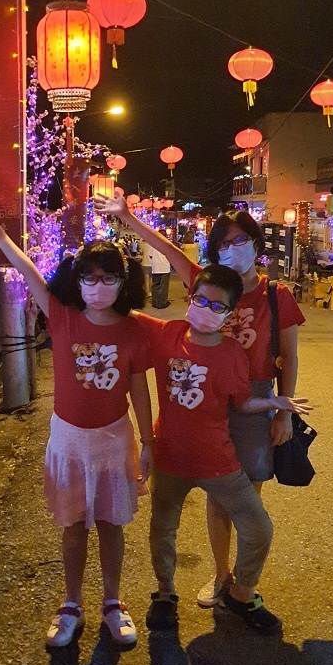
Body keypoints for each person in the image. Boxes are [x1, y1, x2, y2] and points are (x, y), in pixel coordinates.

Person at [93, 194, 305, 609]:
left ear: (257, 243)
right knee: (214, 494)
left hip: (254, 396)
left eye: (241, 239)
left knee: (244, 494)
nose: (232, 248)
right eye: (223, 243)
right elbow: (167, 250)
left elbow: (290, 355)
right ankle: (220, 574)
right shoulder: (207, 282)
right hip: (205, 393)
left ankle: (241, 579)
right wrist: (128, 217)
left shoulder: (277, 295)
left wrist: (284, 413)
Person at [0, 209, 154, 648]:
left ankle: (113, 602)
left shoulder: (132, 331)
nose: (98, 287)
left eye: (109, 278)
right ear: (78, 281)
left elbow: (139, 389)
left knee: (111, 524)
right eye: (89, 278)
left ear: (123, 282)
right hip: (69, 439)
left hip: (114, 439)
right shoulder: (63, 315)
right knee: (73, 526)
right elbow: (28, 270)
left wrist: (149, 442)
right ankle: (71, 603)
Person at [133, 264, 311, 633]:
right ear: (189, 298)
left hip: (218, 460)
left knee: (258, 527)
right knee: (162, 528)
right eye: (201, 300)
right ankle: (165, 592)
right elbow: (118, 311)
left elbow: (242, 402)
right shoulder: (166, 334)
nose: (206, 309)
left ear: (230, 315)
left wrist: (276, 403)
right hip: (168, 457)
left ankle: (240, 593)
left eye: (218, 306)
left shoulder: (233, 354)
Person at [150, 233, 171, 309]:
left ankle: (155, 301)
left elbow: (150, 255)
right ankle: (162, 303)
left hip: (155, 267)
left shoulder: (153, 244)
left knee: (155, 285)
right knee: (163, 286)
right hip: (164, 267)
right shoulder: (167, 244)